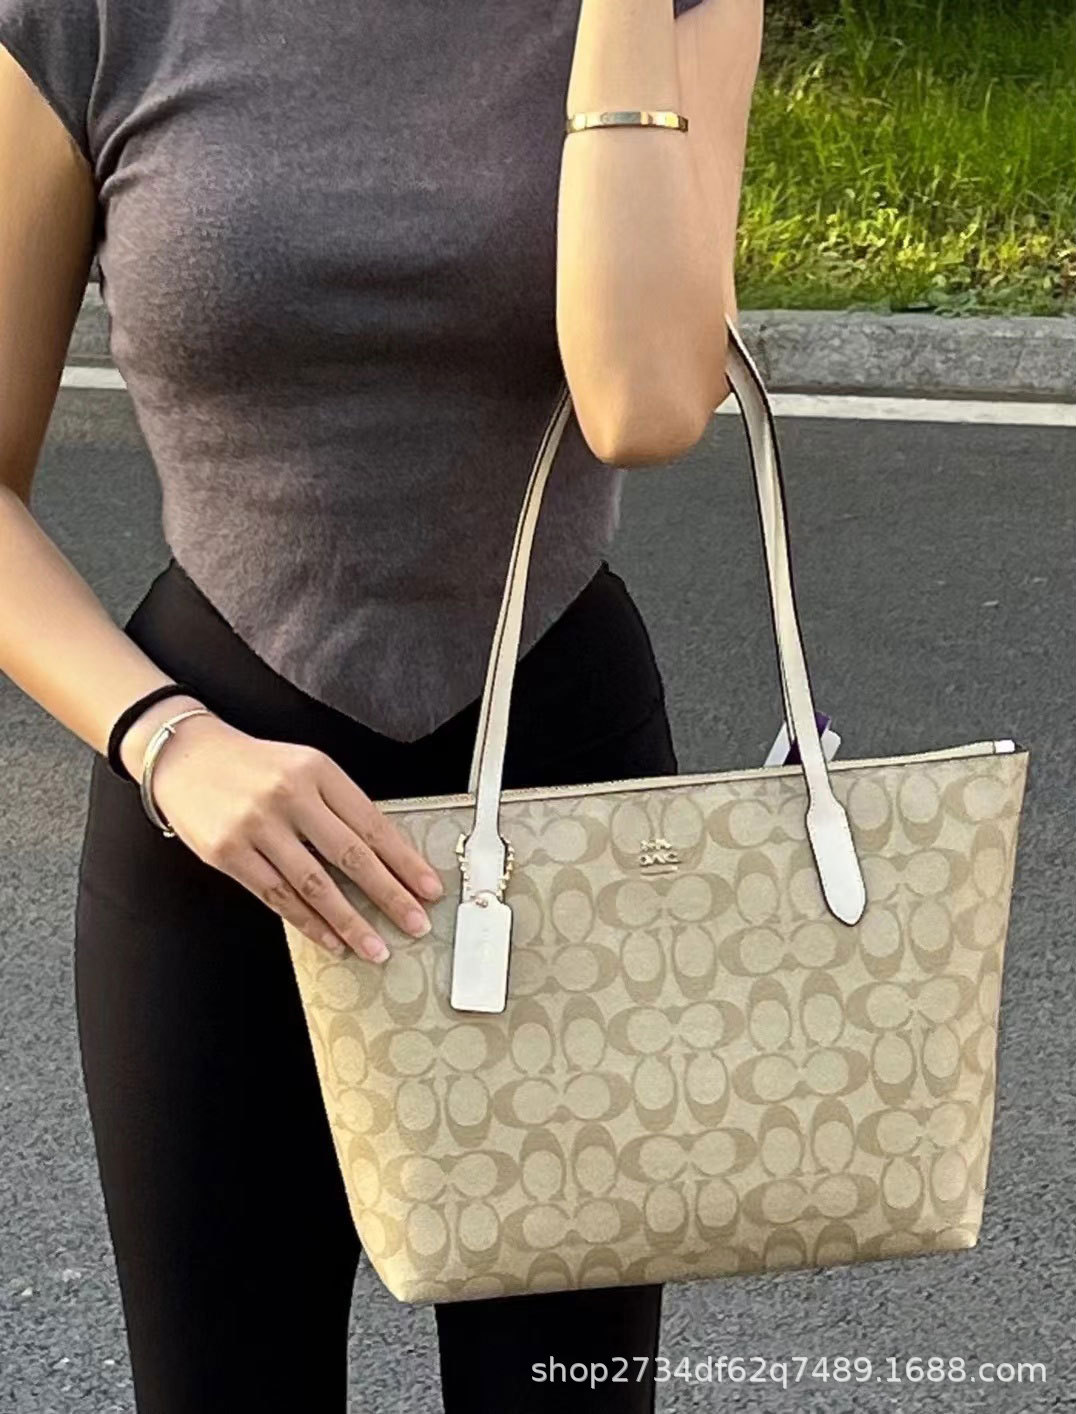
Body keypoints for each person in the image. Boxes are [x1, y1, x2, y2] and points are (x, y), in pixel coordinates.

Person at [0, 1, 762, 1410]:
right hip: (216, 833)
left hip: (566, 828)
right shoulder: (93, 17)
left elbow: (646, 400)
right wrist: (167, 741)